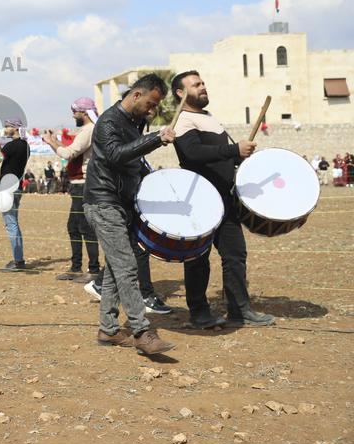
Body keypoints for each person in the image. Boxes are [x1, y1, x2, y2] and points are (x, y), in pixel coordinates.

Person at [172, 71, 275, 329]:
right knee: (198, 259)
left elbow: (219, 157)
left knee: (235, 255)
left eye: (203, 82)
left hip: (224, 200)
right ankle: (199, 313)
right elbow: (192, 153)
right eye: (196, 85)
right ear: (180, 93)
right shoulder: (184, 120)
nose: (203, 87)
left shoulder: (208, 117)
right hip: (199, 201)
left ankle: (240, 310)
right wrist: (233, 149)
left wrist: (239, 156)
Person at [83, 74, 176, 355]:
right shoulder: (109, 121)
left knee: (114, 269)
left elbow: (134, 162)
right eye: (150, 104)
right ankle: (141, 331)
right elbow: (114, 154)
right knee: (126, 267)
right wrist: (156, 139)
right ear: (136, 95)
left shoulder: (133, 124)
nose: (152, 110)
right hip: (103, 202)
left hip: (120, 203)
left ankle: (108, 330)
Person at [41, 97, 101, 281]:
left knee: (85, 227)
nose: (73, 115)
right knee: (74, 226)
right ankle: (76, 267)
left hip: (84, 185)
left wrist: (51, 142)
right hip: (77, 186)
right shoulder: (85, 130)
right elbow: (71, 150)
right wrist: (54, 141)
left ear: (84, 113)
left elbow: (68, 153)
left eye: (75, 111)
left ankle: (93, 270)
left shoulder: (89, 130)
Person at [0, 118, 29, 271]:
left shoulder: (12, 146)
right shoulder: (25, 146)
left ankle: (18, 262)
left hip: (7, 189)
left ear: (15, 128)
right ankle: (18, 259)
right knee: (14, 223)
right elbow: (5, 157)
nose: (5, 129)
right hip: (16, 187)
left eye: (7, 126)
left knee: (11, 224)